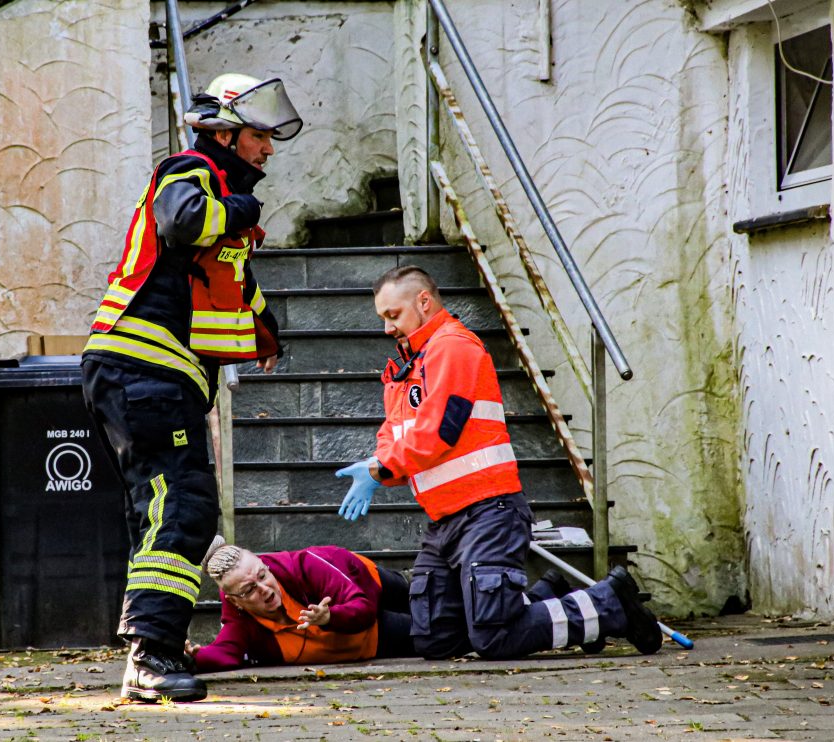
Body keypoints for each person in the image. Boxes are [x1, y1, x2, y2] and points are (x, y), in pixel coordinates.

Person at [80, 73, 303, 703]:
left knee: (166, 508)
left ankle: (153, 648)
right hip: (141, 367)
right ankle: (150, 656)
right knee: (183, 503)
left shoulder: (222, 199)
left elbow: (224, 282)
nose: (267, 150)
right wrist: (243, 209)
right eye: (259, 136)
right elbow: (181, 222)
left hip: (153, 375)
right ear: (227, 132)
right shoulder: (191, 166)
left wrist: (265, 331)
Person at [334, 265, 664, 660]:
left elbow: (440, 432)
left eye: (393, 315)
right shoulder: (408, 367)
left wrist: (380, 469)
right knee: (434, 640)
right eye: (383, 318)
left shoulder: (453, 347)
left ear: (424, 301)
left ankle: (609, 604)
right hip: (447, 521)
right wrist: (378, 462)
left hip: (488, 511)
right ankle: (549, 600)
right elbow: (393, 432)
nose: (388, 328)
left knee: (494, 638)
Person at [187, 538, 414, 671]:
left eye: (263, 575)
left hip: (363, 580)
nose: (264, 589)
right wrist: (191, 657)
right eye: (249, 590)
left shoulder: (304, 565)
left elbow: (363, 607)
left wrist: (329, 617)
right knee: (430, 632)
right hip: (368, 636)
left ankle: (414, 579)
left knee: (415, 592)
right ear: (234, 600)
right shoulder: (238, 613)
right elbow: (226, 652)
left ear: (265, 564)